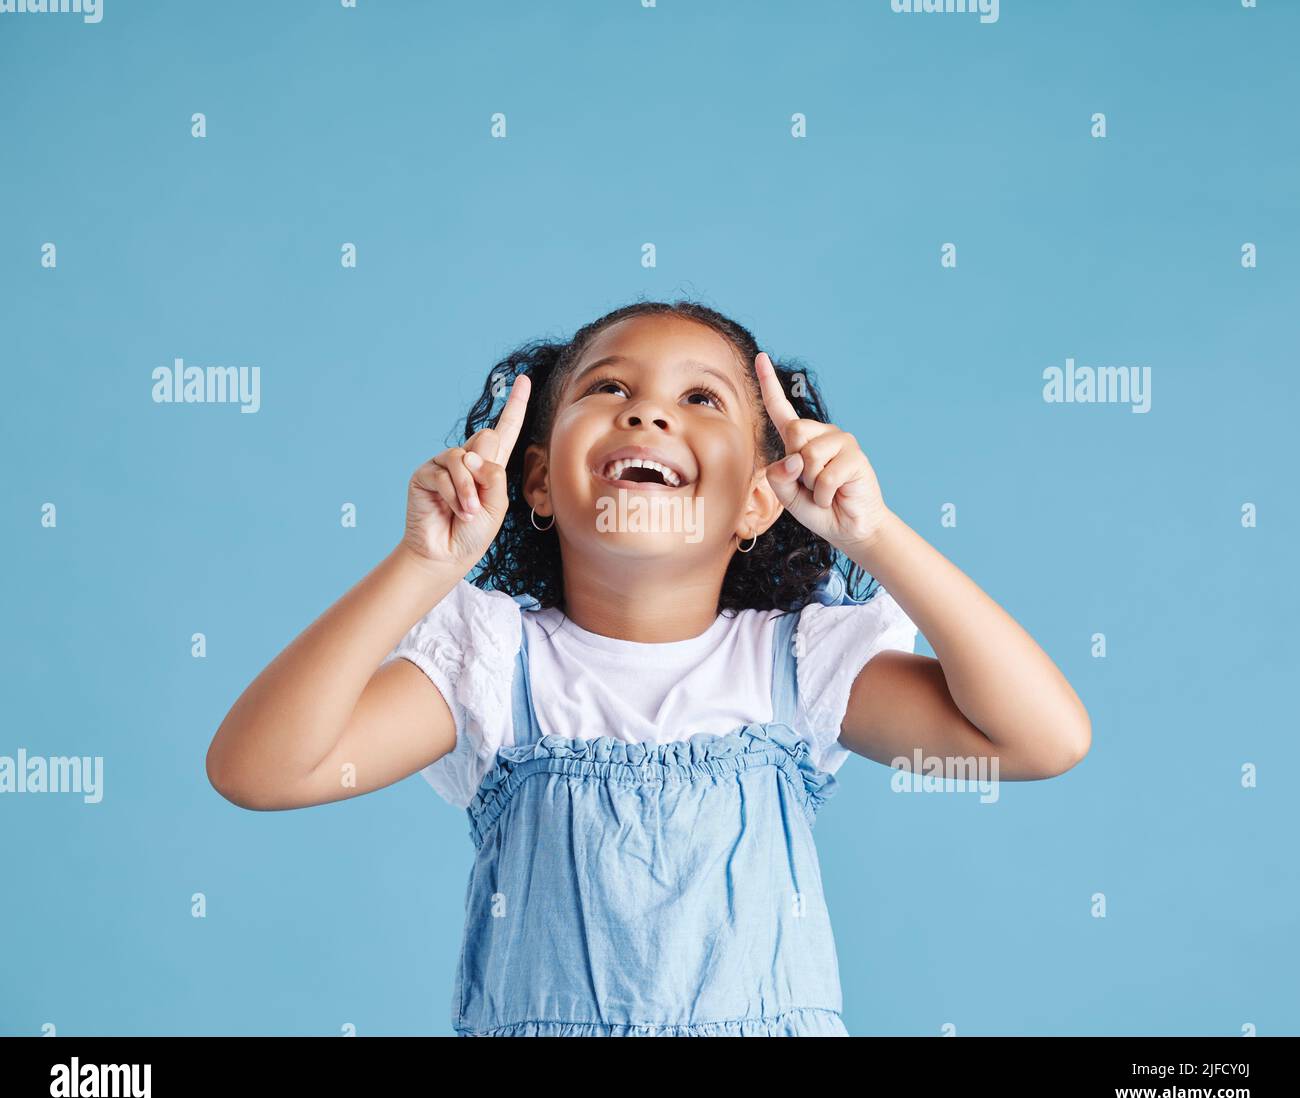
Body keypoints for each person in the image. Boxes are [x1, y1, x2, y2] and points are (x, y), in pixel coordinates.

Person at [206, 300, 1091, 1036]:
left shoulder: (797, 667)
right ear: (541, 481)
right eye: (608, 388)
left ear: (758, 498)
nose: (648, 411)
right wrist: (421, 567)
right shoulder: (493, 666)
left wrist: (876, 536)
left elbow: (1041, 738)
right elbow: (258, 769)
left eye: (703, 398)